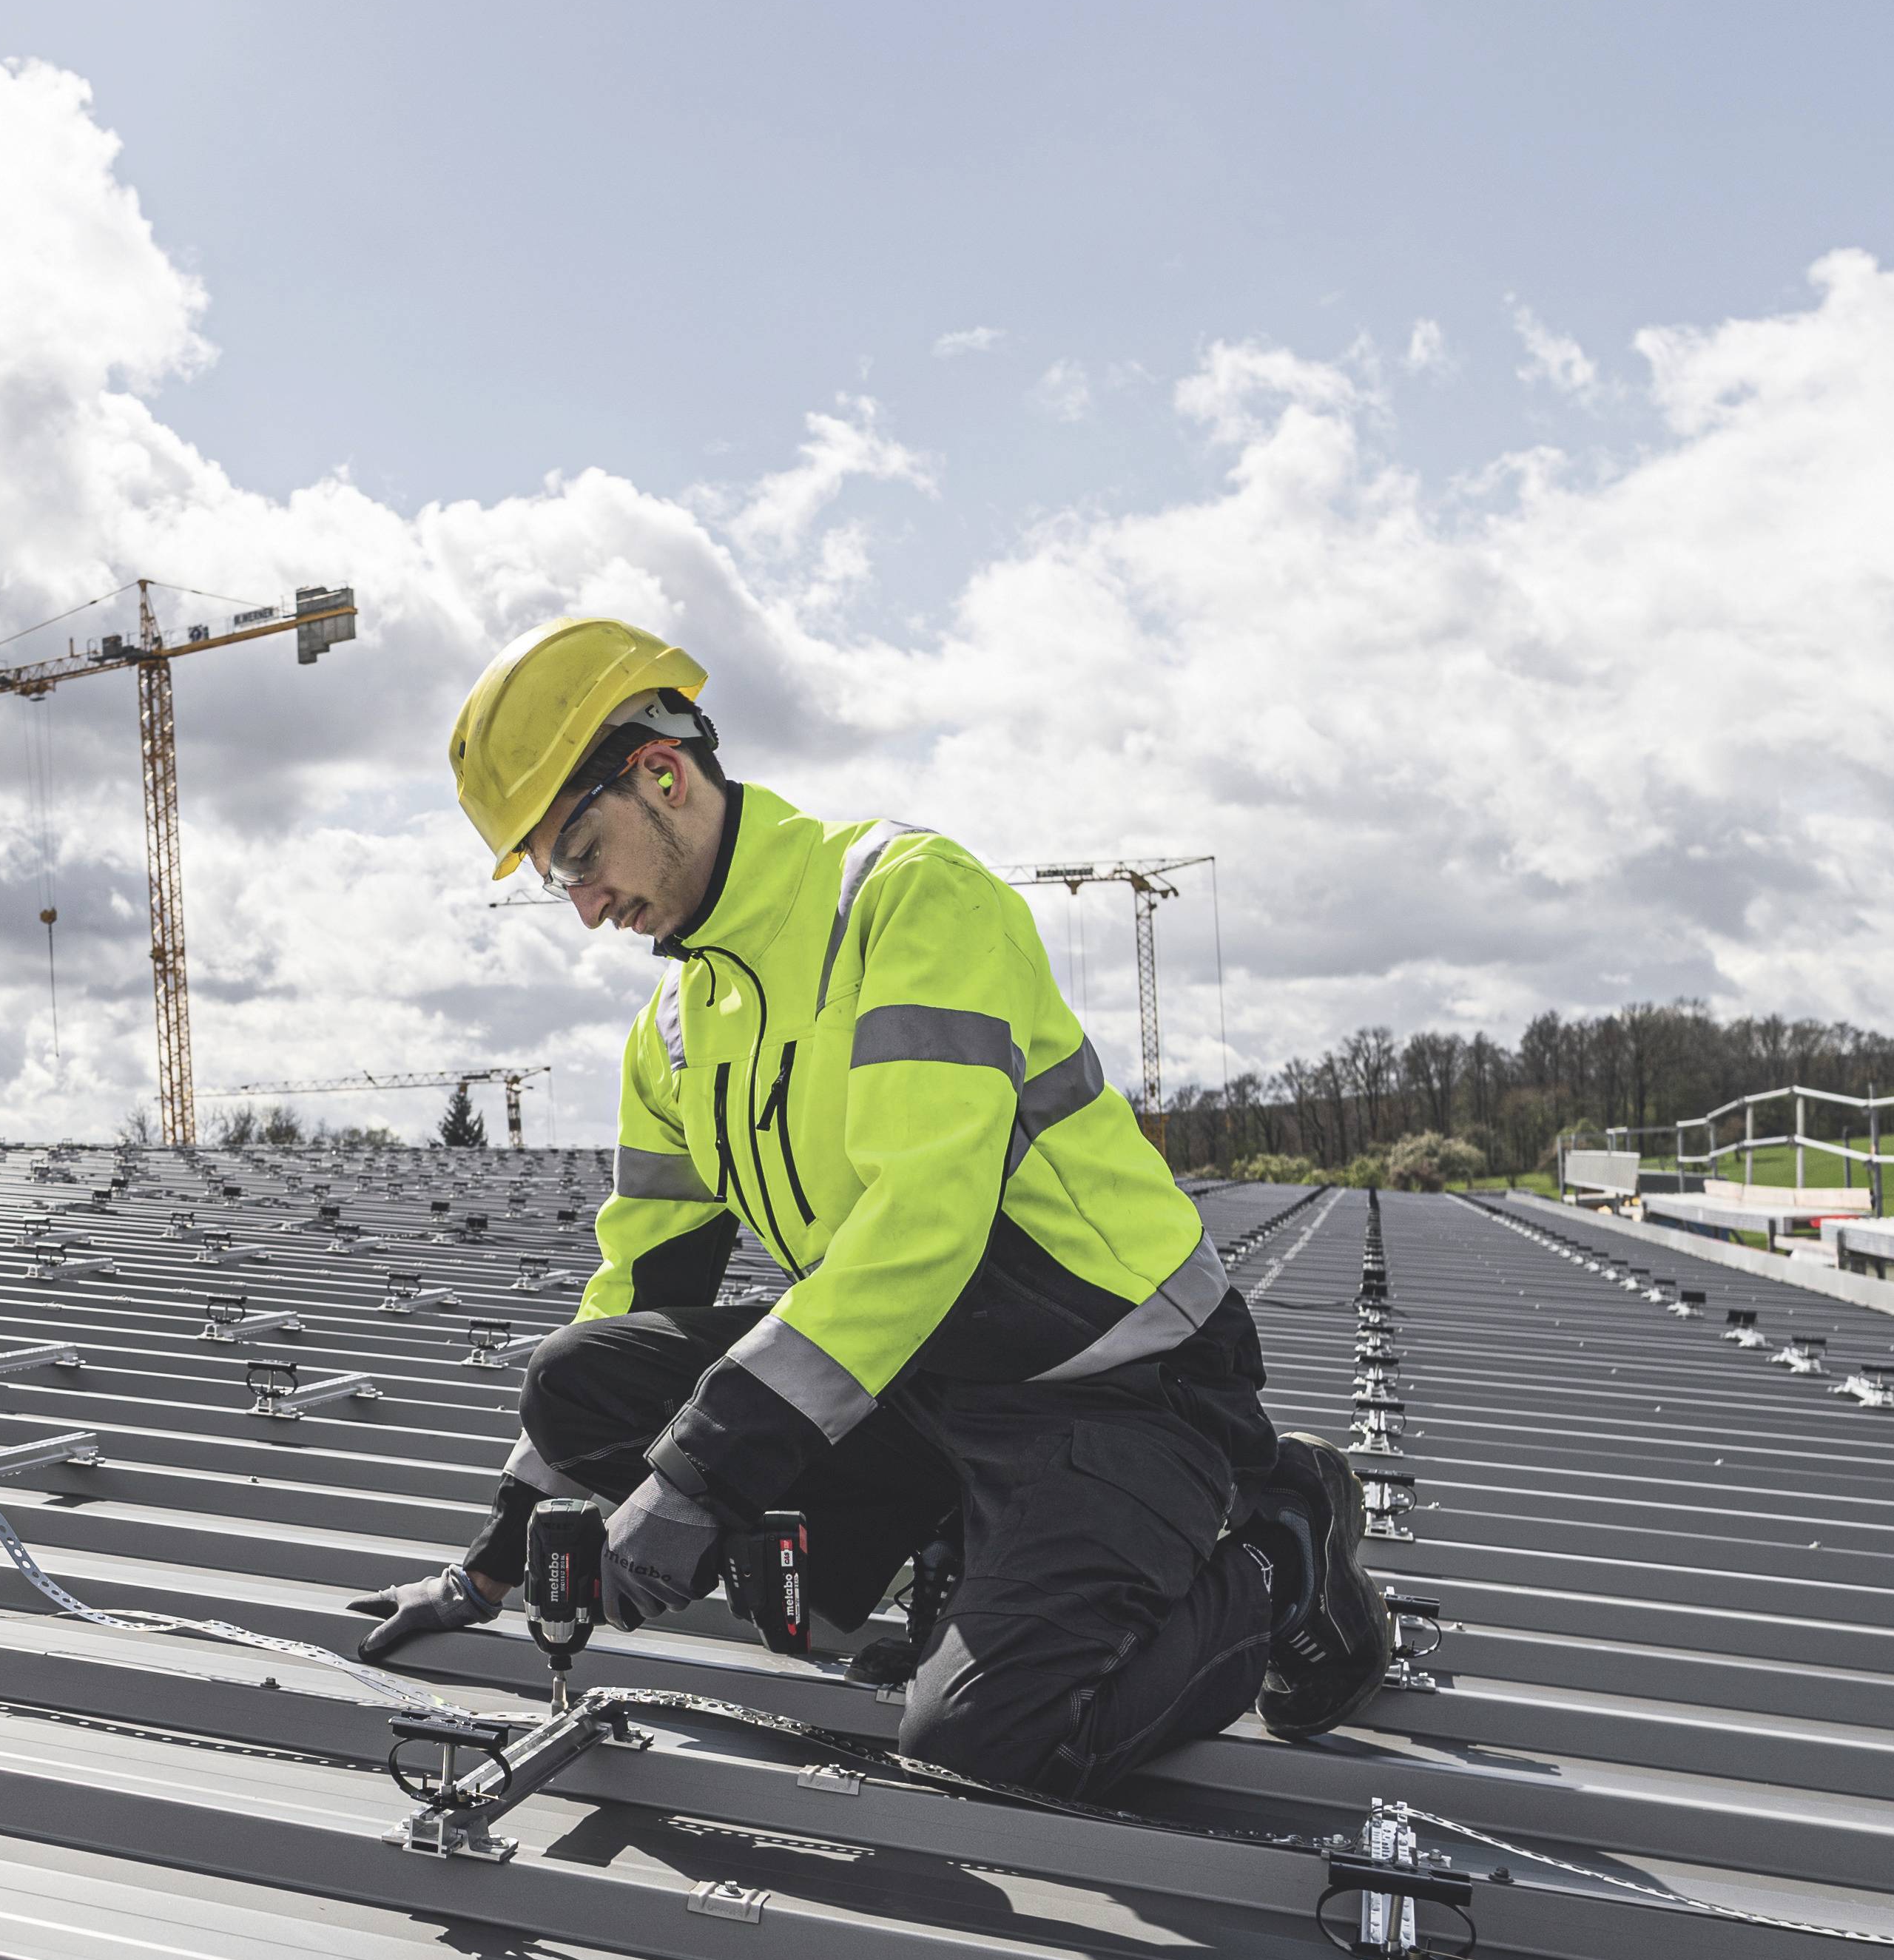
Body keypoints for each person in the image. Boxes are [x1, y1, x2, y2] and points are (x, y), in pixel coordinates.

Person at [350, 616, 1388, 1801]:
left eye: (584, 856)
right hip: (930, 1385)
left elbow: (922, 1231)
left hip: (1115, 1387)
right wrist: (490, 1565)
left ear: (662, 774)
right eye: (557, 878)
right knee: (577, 1376)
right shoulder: (675, 1030)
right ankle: (962, 1537)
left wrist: (699, 1483)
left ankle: (1283, 1545)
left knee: (986, 1744)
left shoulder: (903, 901)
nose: (585, 906)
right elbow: (644, 1293)